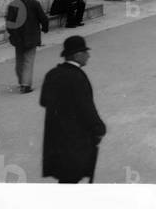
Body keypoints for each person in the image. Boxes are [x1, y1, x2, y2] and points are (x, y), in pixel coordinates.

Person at [40, 35, 106, 183]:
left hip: (55, 139)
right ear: (77, 55)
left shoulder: (52, 74)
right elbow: (87, 108)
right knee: (71, 180)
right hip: (74, 140)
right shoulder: (78, 77)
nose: (88, 56)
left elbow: (44, 101)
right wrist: (99, 128)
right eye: (85, 53)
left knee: (65, 179)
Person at [5, 0, 49, 93]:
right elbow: (43, 18)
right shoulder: (34, 3)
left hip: (18, 37)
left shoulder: (14, 4)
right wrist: (45, 28)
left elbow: (9, 23)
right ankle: (26, 84)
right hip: (31, 36)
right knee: (28, 60)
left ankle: (21, 81)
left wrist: (12, 35)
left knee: (19, 60)